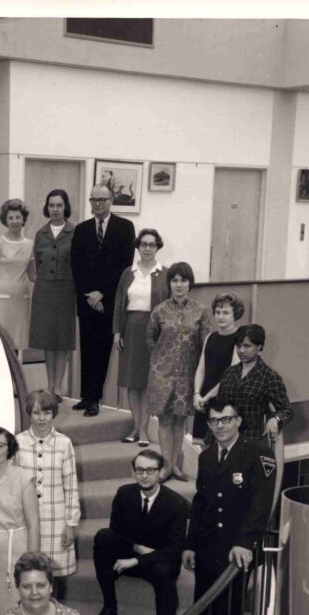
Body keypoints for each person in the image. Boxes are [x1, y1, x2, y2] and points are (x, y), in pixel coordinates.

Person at [182, 398, 278, 615]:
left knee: (226, 608)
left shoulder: (258, 454)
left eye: (225, 419)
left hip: (237, 549)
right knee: (203, 603)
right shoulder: (207, 456)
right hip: (209, 545)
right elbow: (201, 503)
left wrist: (246, 542)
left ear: (238, 421)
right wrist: (190, 544)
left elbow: (261, 504)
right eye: (214, 421)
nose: (219, 426)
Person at [92, 450, 189, 615]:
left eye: (150, 470)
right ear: (133, 471)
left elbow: (174, 549)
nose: (144, 475)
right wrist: (136, 548)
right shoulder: (124, 493)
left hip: (159, 560)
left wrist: (136, 560)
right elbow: (116, 531)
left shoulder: (177, 504)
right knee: (103, 537)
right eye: (140, 470)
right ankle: (109, 605)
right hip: (131, 551)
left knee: (165, 574)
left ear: (161, 472)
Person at [70, 184, 135, 416]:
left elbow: (125, 265)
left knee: (103, 350)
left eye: (102, 199)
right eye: (93, 199)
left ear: (111, 201)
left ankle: (96, 398)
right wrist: (89, 294)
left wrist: (102, 293)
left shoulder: (125, 227)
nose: (97, 203)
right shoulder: (82, 229)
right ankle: (86, 396)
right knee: (86, 349)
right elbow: (76, 265)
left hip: (109, 300)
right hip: (87, 300)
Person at [145, 261, 213, 482]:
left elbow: (206, 344)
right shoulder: (159, 311)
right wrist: (162, 361)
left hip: (187, 375)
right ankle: (166, 466)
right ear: (169, 284)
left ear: (190, 283)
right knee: (165, 420)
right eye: (174, 280)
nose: (179, 284)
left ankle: (174, 466)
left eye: (183, 280)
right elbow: (150, 339)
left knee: (179, 422)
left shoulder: (201, 311)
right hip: (162, 374)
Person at [15, 389, 79, 588]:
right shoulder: (17, 442)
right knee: (29, 571)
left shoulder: (64, 443)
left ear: (53, 414)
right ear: (29, 413)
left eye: (46, 412)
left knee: (53, 574)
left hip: (56, 518)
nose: (41, 418)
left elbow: (70, 484)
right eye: (36, 413)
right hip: (26, 519)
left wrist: (70, 524)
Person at [0, 426, 40, 615]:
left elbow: (33, 523)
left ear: (9, 448)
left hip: (18, 548)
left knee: (21, 601)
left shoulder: (24, 478)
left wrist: (32, 560)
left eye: (0, 445)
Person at [113, 228, 169, 445]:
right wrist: (117, 332)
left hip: (155, 331)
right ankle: (135, 427)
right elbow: (119, 303)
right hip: (131, 329)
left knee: (147, 383)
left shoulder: (165, 273)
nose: (147, 248)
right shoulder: (129, 273)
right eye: (143, 244)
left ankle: (144, 430)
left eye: (152, 244)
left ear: (157, 247)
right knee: (132, 382)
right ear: (138, 247)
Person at [28, 189, 76, 400]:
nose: (55, 209)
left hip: (66, 289)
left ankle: (59, 387)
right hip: (45, 289)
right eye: (51, 205)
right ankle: (49, 384)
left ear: (65, 207)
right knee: (48, 339)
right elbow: (36, 264)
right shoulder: (41, 233)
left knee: (62, 339)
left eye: (59, 205)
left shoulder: (75, 231)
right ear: (46, 208)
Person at [216, 324, 294, 444]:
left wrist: (275, 419)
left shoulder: (269, 376)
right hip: (224, 438)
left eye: (247, 346)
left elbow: (287, 410)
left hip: (250, 441)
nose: (241, 351)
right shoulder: (229, 372)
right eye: (238, 346)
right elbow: (218, 407)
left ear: (259, 347)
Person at [192, 292, 245, 441]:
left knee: (222, 444)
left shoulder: (239, 338)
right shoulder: (211, 336)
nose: (221, 316)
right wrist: (197, 394)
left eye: (226, 312)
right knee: (204, 445)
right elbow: (201, 368)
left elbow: (231, 375)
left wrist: (207, 397)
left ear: (236, 314)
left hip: (224, 399)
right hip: (203, 399)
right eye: (218, 312)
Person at [0, 199, 33, 352]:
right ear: (5, 220)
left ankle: (15, 376)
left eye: (18, 217)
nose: (14, 221)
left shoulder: (30, 244)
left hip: (22, 300)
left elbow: (33, 275)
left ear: (23, 219)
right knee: (2, 344)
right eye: (10, 218)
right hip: (2, 302)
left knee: (18, 346)